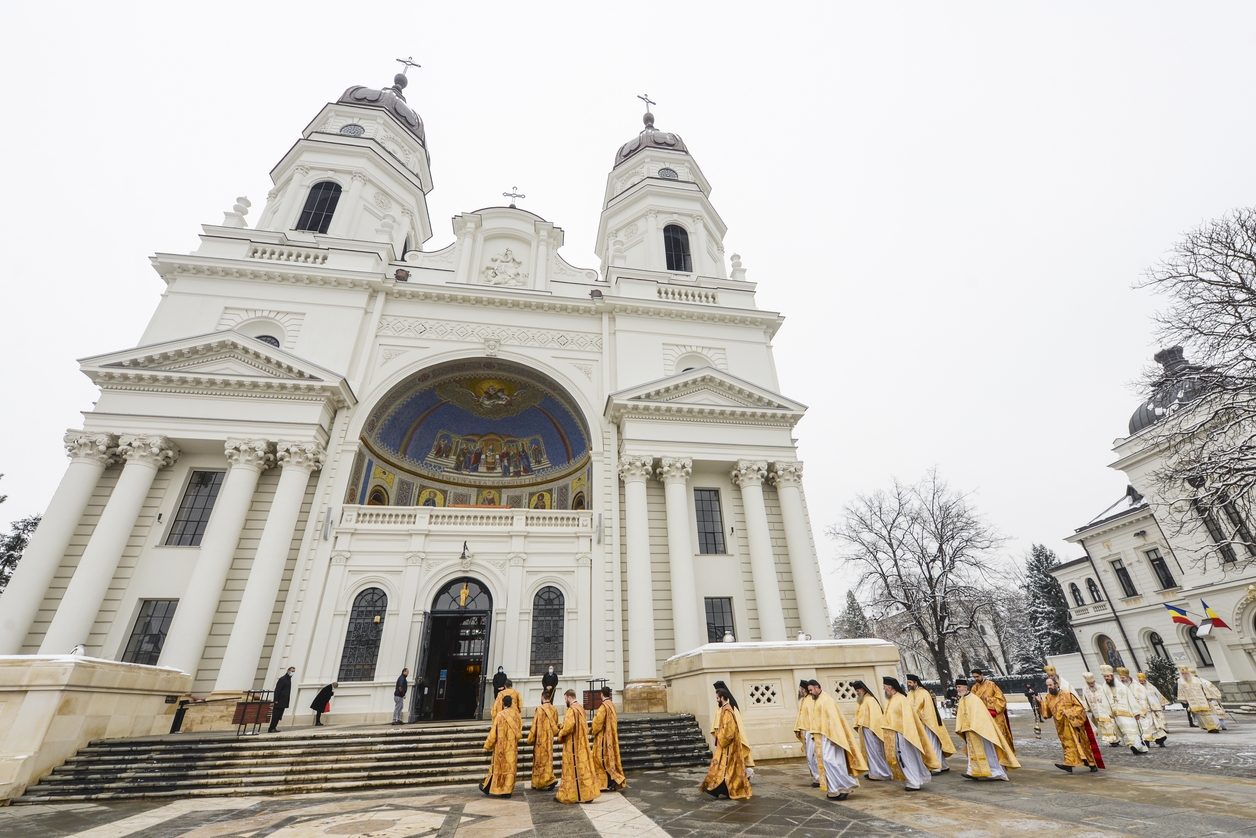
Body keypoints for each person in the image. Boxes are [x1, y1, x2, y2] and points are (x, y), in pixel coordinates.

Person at [808, 680, 867, 801]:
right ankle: (834, 789)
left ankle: (846, 785)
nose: (810, 692)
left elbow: (833, 720)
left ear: (817, 687)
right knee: (826, 763)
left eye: (811, 690)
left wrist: (834, 737)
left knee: (832, 761)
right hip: (822, 736)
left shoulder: (826, 700)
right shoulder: (818, 700)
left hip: (830, 737)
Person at [880, 677, 939, 792]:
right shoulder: (891, 699)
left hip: (903, 733)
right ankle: (911, 779)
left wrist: (906, 732)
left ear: (889, 687)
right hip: (894, 734)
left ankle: (914, 782)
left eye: (884, 686)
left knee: (907, 757)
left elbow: (908, 719)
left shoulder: (902, 699)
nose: (883, 688)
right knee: (902, 758)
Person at [954, 679, 1018, 781]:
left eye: (959, 687)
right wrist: (960, 727)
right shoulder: (962, 700)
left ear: (966, 688)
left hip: (978, 730)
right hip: (969, 730)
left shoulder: (974, 699)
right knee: (973, 752)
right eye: (957, 687)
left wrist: (974, 726)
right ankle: (973, 772)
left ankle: (997, 772)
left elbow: (981, 715)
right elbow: (961, 715)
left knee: (988, 752)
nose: (958, 689)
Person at [1039, 675, 1103, 773]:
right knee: (1067, 745)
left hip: (1073, 725)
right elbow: (1047, 714)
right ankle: (1069, 764)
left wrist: (1069, 712)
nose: (1049, 687)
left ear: (1056, 684)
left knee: (1081, 744)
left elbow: (1080, 708)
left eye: (1051, 685)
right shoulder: (1048, 698)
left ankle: (1091, 764)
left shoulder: (1067, 694)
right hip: (1061, 727)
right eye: (1047, 686)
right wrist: (1040, 703)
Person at [700, 688, 753, 800]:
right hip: (726, 746)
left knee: (728, 768)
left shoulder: (728, 710)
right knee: (725, 768)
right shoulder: (724, 709)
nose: (717, 700)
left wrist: (721, 738)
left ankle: (722, 789)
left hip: (730, 746)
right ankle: (719, 789)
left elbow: (729, 731)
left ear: (722, 697)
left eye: (717, 698)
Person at [556, 689, 600, 803]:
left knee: (573, 769)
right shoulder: (581, 708)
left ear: (569, 697)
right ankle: (587, 794)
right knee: (583, 769)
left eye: (565, 698)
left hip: (573, 744)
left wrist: (560, 733)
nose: (565, 701)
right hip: (582, 742)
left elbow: (569, 726)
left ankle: (572, 795)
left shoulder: (571, 709)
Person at [906, 674, 955, 774]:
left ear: (916, 682)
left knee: (932, 744)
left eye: (910, 682)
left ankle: (936, 766)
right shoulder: (910, 694)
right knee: (929, 744)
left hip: (928, 723)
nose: (909, 684)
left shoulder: (924, 693)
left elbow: (928, 709)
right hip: (917, 723)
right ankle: (944, 764)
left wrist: (918, 715)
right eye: (908, 683)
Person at [480, 694, 522, 798]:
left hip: (501, 747)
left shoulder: (500, 715)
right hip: (512, 746)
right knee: (510, 768)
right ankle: (507, 790)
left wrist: (488, 745)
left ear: (503, 703)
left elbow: (493, 732)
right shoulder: (516, 715)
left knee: (498, 768)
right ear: (511, 703)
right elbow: (520, 728)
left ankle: (495, 788)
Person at [1100, 665, 1148, 754]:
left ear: (1112, 676)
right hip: (1117, 715)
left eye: (1108, 676)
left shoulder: (1122, 687)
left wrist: (1136, 712)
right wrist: (1109, 713)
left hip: (1128, 713)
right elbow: (1105, 700)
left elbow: (1131, 699)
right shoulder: (1104, 688)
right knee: (1126, 731)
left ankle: (1136, 745)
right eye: (1105, 676)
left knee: (1133, 730)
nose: (1106, 678)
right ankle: (1136, 746)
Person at [711, 680, 754, 780]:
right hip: (723, 737)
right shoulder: (721, 707)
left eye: (718, 697)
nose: (717, 700)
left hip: (730, 738)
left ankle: (745, 775)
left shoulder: (730, 708)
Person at [852, 680, 892, 780]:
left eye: (858, 691)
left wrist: (875, 729)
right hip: (865, 730)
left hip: (872, 730)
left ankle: (883, 773)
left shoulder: (870, 700)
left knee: (876, 751)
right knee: (869, 752)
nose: (857, 693)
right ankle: (873, 772)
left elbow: (876, 717)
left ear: (862, 689)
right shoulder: (862, 700)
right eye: (856, 691)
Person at [969, 669, 1015, 754]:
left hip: (995, 717)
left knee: (999, 737)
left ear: (982, 675)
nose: (976, 679)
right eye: (974, 677)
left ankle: (1004, 756)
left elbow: (1002, 701)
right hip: (982, 718)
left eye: (977, 676)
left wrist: (989, 699)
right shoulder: (974, 688)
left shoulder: (992, 685)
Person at [591, 686, 626, 791]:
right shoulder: (611, 705)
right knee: (610, 760)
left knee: (600, 760)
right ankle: (611, 781)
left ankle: (611, 781)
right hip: (611, 737)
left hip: (603, 739)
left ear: (602, 694)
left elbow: (598, 722)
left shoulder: (603, 707)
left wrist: (593, 731)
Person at [1120, 667, 1164, 747]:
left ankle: (1160, 741)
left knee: (1152, 728)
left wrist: (1155, 707)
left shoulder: (1138, 686)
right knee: (1142, 730)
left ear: (1127, 677)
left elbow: (1150, 696)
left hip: (1146, 710)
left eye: (1123, 678)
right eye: (1121, 678)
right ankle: (1146, 743)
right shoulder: (1122, 687)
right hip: (1134, 712)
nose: (1122, 680)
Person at [527, 688, 560, 791]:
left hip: (540, 740)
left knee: (539, 761)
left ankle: (539, 782)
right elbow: (556, 724)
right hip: (549, 739)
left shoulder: (539, 709)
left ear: (542, 697)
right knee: (548, 760)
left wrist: (530, 738)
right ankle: (549, 778)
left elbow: (534, 725)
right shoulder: (554, 709)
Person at [1176, 664, 1220, 732]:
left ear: (1188, 672)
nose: (1184, 674)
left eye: (1185, 673)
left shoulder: (1196, 679)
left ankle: (1213, 727)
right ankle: (1207, 727)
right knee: (1200, 715)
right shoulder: (1180, 681)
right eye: (1182, 673)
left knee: (1207, 713)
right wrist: (1184, 699)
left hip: (1202, 699)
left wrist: (1208, 696)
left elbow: (1204, 687)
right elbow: (1180, 690)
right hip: (1192, 700)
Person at [1078, 671, 1118, 745]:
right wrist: (1085, 708)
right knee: (1102, 725)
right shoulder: (1085, 689)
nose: (1091, 685)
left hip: (1104, 709)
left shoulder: (1101, 687)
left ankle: (1114, 740)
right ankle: (1111, 740)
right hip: (1095, 711)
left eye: (1092, 683)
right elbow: (1084, 699)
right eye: (1089, 683)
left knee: (1109, 724)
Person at [793, 679, 821, 787]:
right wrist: (798, 729)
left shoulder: (810, 700)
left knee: (813, 755)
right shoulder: (804, 700)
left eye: (800, 688)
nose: (799, 690)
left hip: (811, 731)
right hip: (805, 731)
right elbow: (800, 716)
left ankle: (818, 777)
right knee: (809, 756)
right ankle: (816, 777)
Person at [1135, 671, 1169, 744]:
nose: (1141, 682)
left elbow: (1158, 695)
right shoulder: (1137, 689)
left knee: (1156, 727)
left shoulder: (1151, 687)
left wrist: (1162, 704)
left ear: (1145, 680)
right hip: (1144, 712)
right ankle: (1146, 742)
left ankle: (1160, 741)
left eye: (1142, 681)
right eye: (1140, 681)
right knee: (1145, 728)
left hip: (1153, 710)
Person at [268, 667, 295, 733]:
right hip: (279, 701)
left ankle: (274, 727)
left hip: (283, 701)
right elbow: (277, 690)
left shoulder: (288, 679)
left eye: (294, 671)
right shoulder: (283, 679)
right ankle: (271, 728)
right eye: (292, 671)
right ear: (288, 671)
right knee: (276, 715)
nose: (292, 673)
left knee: (279, 715)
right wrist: (276, 700)